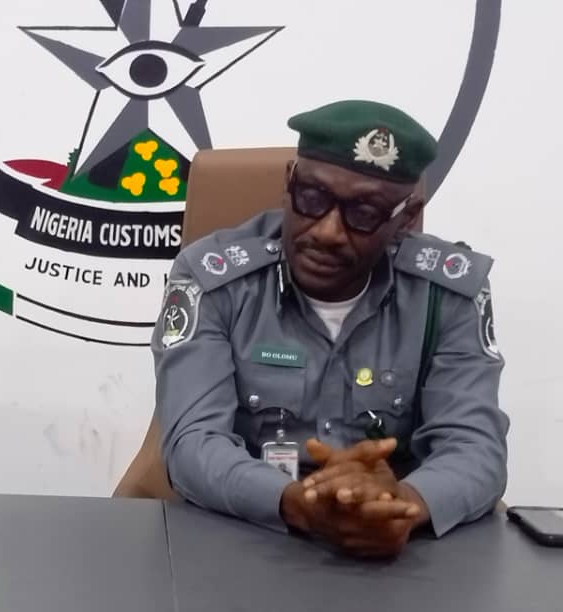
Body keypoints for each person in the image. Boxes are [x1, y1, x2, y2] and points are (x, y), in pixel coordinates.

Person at [153, 99, 508, 557]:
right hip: (245, 538)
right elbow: (192, 443)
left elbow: (475, 447)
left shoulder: (446, 295)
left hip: (396, 550)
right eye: (312, 199)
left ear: (406, 217)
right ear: (289, 182)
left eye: (364, 213)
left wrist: (402, 504)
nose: (327, 231)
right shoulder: (213, 278)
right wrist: (297, 503)